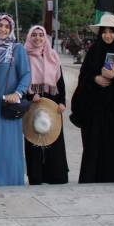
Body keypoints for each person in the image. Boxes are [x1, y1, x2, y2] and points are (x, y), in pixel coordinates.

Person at [72, 14, 114, 183]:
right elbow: (83, 76)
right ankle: (92, 177)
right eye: (104, 32)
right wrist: (95, 78)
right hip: (96, 108)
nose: (108, 35)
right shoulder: (93, 51)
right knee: (94, 143)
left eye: (111, 32)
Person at [0, 14, 31, 187]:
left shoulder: (17, 49)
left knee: (6, 143)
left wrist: (18, 93)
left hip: (7, 104)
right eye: (0, 25)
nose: (3, 29)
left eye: (7, 26)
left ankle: (9, 180)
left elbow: (26, 74)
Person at [23, 25, 69, 185]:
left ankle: (56, 175)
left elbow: (60, 81)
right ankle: (36, 176)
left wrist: (62, 101)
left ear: (45, 38)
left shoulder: (52, 55)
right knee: (34, 138)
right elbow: (21, 79)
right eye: (34, 35)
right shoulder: (24, 55)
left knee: (54, 138)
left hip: (52, 102)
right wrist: (30, 95)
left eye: (41, 35)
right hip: (33, 101)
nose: (37, 38)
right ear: (29, 37)